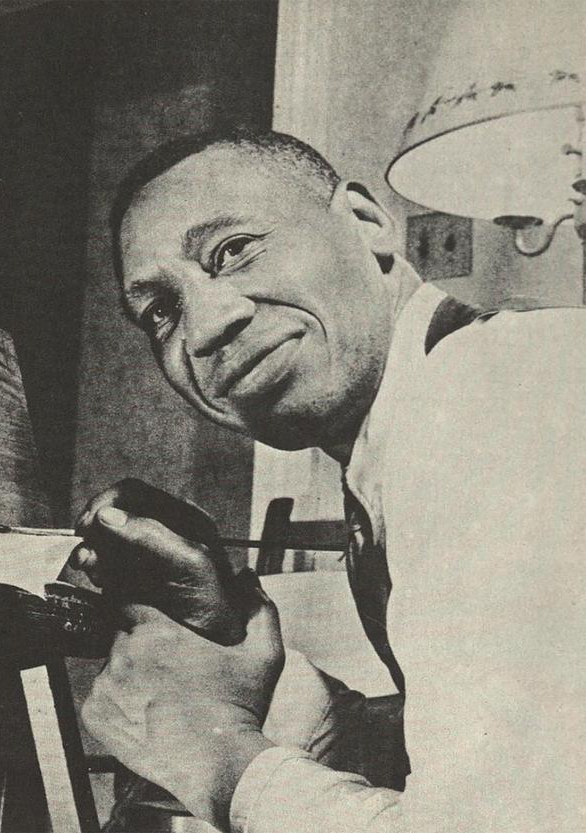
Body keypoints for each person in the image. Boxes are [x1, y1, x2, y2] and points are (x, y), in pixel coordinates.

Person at [75, 129, 586, 832]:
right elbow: (470, 755)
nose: (203, 328)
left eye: (233, 249)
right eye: (160, 309)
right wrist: (235, 637)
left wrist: (221, 763)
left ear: (369, 224)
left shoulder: (490, 401)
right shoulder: (422, 413)